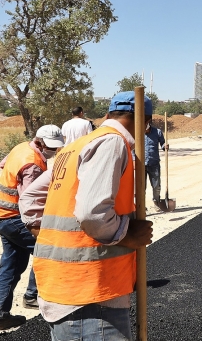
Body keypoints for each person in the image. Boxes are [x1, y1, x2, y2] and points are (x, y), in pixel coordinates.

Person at [32, 91, 154, 340]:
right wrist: (125, 235)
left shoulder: (75, 147)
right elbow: (92, 213)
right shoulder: (112, 143)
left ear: (108, 115)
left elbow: (30, 198)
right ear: (144, 122)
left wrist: (49, 234)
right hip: (90, 296)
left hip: (65, 285)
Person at [0, 124, 64, 329]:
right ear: (39, 142)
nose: (53, 151)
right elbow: (30, 200)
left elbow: (2, 167)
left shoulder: (21, 148)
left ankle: (2, 314)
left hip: (3, 216)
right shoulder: (33, 164)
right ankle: (35, 295)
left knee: (11, 266)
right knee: (48, 249)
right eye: (51, 147)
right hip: (15, 218)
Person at [144, 119, 169, 209]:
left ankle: (156, 202)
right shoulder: (137, 133)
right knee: (141, 187)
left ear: (148, 124)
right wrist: (134, 160)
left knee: (156, 185)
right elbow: (133, 149)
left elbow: (162, 143)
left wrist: (164, 146)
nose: (144, 130)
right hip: (141, 165)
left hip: (154, 163)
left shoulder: (157, 132)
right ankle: (141, 206)